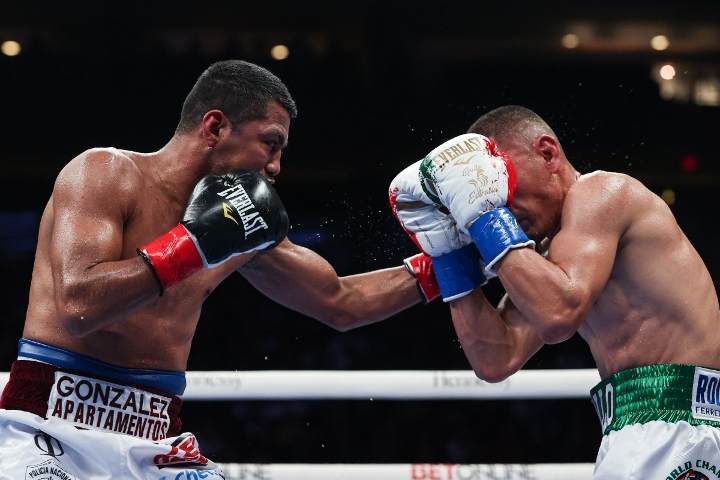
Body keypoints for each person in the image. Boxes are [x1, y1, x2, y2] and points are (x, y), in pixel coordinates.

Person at [0, 60, 438, 479]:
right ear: (215, 126)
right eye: (271, 143)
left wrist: (456, 265)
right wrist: (193, 244)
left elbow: (341, 302)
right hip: (51, 422)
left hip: (154, 436)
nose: (275, 167)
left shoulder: (240, 227)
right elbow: (78, 305)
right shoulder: (104, 172)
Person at [391, 105, 720, 479]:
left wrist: (484, 217)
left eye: (501, 182)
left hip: (676, 422)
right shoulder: (550, 258)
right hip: (646, 426)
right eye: (486, 188)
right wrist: (447, 251)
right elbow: (496, 359)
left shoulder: (603, 193)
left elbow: (558, 317)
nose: (499, 200)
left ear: (547, 153)